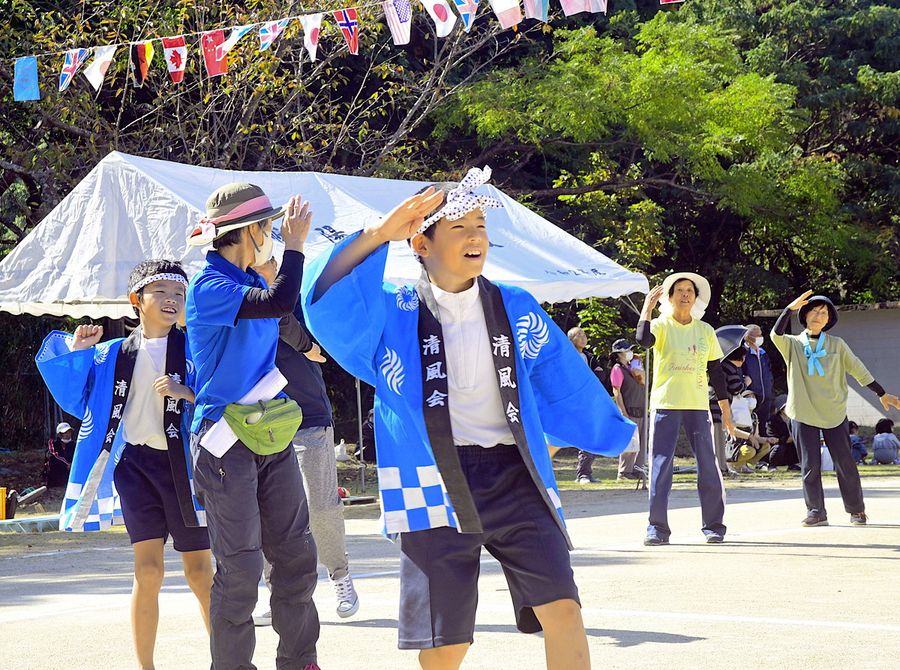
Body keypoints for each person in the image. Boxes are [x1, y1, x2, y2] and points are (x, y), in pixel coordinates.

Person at [302, 167, 635, 670]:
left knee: (562, 609)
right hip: (432, 478)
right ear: (421, 244)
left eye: (481, 226)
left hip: (515, 476)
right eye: (459, 228)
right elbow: (324, 301)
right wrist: (378, 235)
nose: (476, 236)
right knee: (445, 641)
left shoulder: (515, 307)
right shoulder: (393, 313)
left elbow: (560, 374)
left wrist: (582, 436)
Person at [36, 260, 211, 670]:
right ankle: (145, 666)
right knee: (147, 572)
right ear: (137, 300)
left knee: (200, 572)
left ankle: (226, 660)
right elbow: (75, 398)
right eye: (161, 293)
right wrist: (78, 352)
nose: (171, 301)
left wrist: (185, 392)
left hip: (183, 468)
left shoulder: (196, 347)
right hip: (134, 467)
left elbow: (220, 394)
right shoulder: (110, 353)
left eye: (179, 295)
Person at [185, 183, 320, 670]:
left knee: (297, 556)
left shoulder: (245, 285)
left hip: (269, 430)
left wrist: (308, 348)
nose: (274, 234)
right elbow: (277, 304)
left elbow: (281, 317)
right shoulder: (210, 286)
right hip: (225, 443)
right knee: (241, 569)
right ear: (251, 230)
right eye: (269, 226)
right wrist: (297, 247)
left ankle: (300, 660)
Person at [251, 257, 360, 625]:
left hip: (308, 414)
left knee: (320, 503)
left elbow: (314, 344)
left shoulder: (301, 297)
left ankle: (340, 575)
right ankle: (276, 591)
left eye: (270, 260)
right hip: (259, 419)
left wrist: (277, 295)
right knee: (267, 509)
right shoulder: (241, 297)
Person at [770, 291, 900, 527]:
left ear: (829, 319)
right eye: (814, 311)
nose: (819, 315)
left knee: (845, 463)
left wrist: (882, 393)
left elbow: (858, 370)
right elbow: (775, 334)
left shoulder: (837, 345)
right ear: (806, 315)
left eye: (824, 312)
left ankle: (857, 510)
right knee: (810, 465)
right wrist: (788, 309)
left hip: (834, 411)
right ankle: (816, 511)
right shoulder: (793, 344)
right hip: (802, 411)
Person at [636, 272, 736, 545]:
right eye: (678, 290)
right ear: (669, 297)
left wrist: (726, 412)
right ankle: (657, 529)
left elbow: (716, 372)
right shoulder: (661, 324)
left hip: (697, 406)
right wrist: (647, 307)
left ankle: (714, 526)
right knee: (660, 466)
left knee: (708, 466)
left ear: (695, 297)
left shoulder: (704, 330)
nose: (684, 294)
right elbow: (643, 340)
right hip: (666, 404)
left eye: (689, 290)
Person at [708, 326, 751, 476]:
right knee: (720, 439)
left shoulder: (722, 365)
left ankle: (721, 466)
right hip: (718, 407)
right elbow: (736, 388)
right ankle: (721, 467)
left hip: (713, 406)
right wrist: (746, 383)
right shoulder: (730, 367)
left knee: (719, 438)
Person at [567, 326, 606, 484]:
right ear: (571, 339)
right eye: (579, 335)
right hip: (572, 400)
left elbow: (601, 374)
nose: (583, 337)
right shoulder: (567, 356)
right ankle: (582, 473)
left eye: (584, 334)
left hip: (588, 399)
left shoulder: (589, 357)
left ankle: (585, 472)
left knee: (590, 434)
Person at [609, 339, 646, 480]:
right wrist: (623, 412)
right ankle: (624, 471)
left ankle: (637, 469)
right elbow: (617, 391)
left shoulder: (633, 368)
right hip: (629, 409)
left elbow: (642, 383)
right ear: (619, 353)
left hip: (640, 408)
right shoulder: (617, 369)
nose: (630, 352)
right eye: (627, 350)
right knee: (629, 442)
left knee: (641, 442)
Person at [742, 324, 775, 435]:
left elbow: (769, 371)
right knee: (751, 428)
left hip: (766, 397)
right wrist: (744, 382)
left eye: (761, 334)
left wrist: (770, 388)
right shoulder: (743, 353)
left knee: (764, 429)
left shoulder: (763, 353)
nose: (760, 337)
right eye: (757, 335)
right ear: (748, 337)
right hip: (751, 398)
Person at [766, 396, 801, 471]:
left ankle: (793, 465)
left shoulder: (794, 419)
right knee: (779, 448)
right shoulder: (773, 420)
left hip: (791, 447)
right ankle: (772, 466)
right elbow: (772, 437)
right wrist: (786, 439)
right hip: (779, 447)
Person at [43, 422, 76, 488]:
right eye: (65, 432)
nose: (68, 434)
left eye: (69, 432)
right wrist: (67, 464)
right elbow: (54, 455)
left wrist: (73, 465)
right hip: (55, 475)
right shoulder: (53, 443)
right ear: (60, 434)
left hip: (68, 474)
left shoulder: (74, 445)